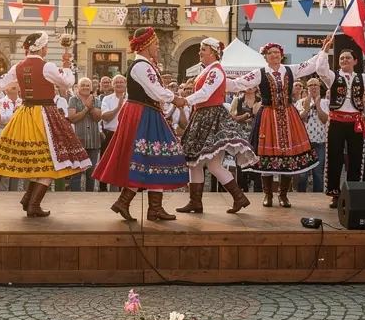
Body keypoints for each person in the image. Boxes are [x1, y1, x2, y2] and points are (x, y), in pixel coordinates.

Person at [0, 32, 90, 216]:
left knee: (41, 161)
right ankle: (33, 204)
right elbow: (67, 83)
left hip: (25, 113)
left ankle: (28, 199)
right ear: (42, 48)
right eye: (46, 46)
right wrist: (66, 67)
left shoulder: (18, 66)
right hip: (45, 115)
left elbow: (0, 83)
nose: (46, 49)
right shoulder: (47, 66)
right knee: (51, 162)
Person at [94, 27, 190, 221]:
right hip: (143, 114)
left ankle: (136, 204)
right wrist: (175, 98)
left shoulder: (146, 65)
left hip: (148, 113)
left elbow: (155, 91)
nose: (158, 46)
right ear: (146, 44)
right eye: (155, 43)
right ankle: (144, 206)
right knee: (151, 156)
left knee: (151, 158)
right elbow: (156, 91)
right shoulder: (141, 66)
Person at [235, 41, 332, 208]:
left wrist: (323, 50)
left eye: (277, 52)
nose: (275, 55)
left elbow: (310, 65)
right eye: (271, 53)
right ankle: (268, 194)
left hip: (288, 116)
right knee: (265, 155)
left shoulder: (290, 69)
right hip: (268, 116)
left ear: (281, 55)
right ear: (265, 57)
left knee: (288, 155)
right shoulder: (259, 73)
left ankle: (283, 194)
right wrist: (219, 83)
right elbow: (240, 82)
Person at [175, 38, 257, 214]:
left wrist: (185, 100)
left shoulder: (215, 71)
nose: (200, 52)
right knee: (199, 163)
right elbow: (230, 85)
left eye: (203, 49)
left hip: (210, 117)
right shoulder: (210, 71)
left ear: (213, 52)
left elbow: (205, 93)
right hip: (204, 116)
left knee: (205, 164)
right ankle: (201, 201)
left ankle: (235, 198)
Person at [314, 44, 365, 208]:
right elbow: (320, 69)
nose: (344, 60)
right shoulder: (332, 77)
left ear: (355, 61)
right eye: (341, 58)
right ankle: (334, 193)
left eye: (347, 58)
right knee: (334, 157)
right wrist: (324, 51)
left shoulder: (362, 78)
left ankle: (352, 192)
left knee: (356, 158)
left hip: (355, 122)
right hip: (337, 121)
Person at [67, 77, 102, 192]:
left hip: (93, 140)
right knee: (77, 171)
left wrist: (91, 108)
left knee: (91, 171)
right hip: (78, 140)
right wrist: (86, 109)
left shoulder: (96, 100)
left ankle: (89, 195)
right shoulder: (73, 100)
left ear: (91, 88)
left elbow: (98, 118)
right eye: (83, 85)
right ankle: (75, 195)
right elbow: (72, 118)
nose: (85, 87)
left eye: (88, 85)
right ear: (78, 87)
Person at [296, 77, 329, 193]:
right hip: (304, 141)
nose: (313, 87)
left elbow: (325, 120)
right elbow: (299, 119)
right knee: (303, 173)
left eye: (315, 85)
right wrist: (307, 107)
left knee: (318, 172)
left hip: (320, 140)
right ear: (307, 88)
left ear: (320, 87)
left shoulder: (326, 102)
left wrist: (318, 106)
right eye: (310, 85)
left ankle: (318, 196)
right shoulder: (300, 102)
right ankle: (301, 196)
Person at [0, 82, 23, 191]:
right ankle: (3, 191)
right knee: (4, 165)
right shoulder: (0, 102)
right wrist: (15, 116)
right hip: (3, 136)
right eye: (11, 84)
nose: (14, 86)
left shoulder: (23, 103)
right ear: (5, 88)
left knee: (17, 166)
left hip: (19, 137)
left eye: (16, 85)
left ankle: (15, 191)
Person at [98, 74, 126, 192]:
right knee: (107, 161)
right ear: (112, 85)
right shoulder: (107, 99)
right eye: (116, 82)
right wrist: (118, 107)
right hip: (111, 134)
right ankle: (103, 188)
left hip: (126, 134)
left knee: (124, 162)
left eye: (121, 82)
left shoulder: (131, 99)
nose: (119, 84)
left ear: (125, 84)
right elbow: (105, 116)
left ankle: (124, 187)